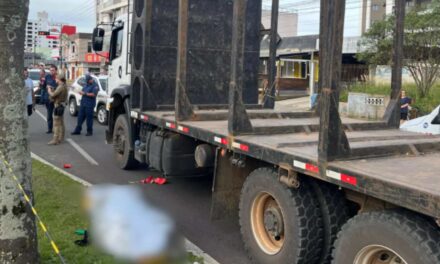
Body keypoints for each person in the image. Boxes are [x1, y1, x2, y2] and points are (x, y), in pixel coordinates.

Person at [47, 73, 68, 145]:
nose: (55, 79)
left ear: (59, 79)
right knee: (61, 122)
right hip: (61, 106)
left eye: (56, 78)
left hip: (58, 106)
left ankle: (55, 139)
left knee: (56, 124)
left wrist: (49, 90)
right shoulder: (64, 86)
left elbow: (53, 95)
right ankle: (61, 137)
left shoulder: (61, 87)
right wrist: (53, 89)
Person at [43, 65, 58, 134]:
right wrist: (44, 85)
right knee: (49, 115)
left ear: (56, 71)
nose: (51, 71)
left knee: (57, 116)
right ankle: (50, 129)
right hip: (48, 99)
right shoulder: (47, 76)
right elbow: (43, 86)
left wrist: (52, 88)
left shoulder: (59, 77)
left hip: (56, 99)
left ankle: (57, 129)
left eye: (53, 70)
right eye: (50, 70)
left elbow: (62, 87)